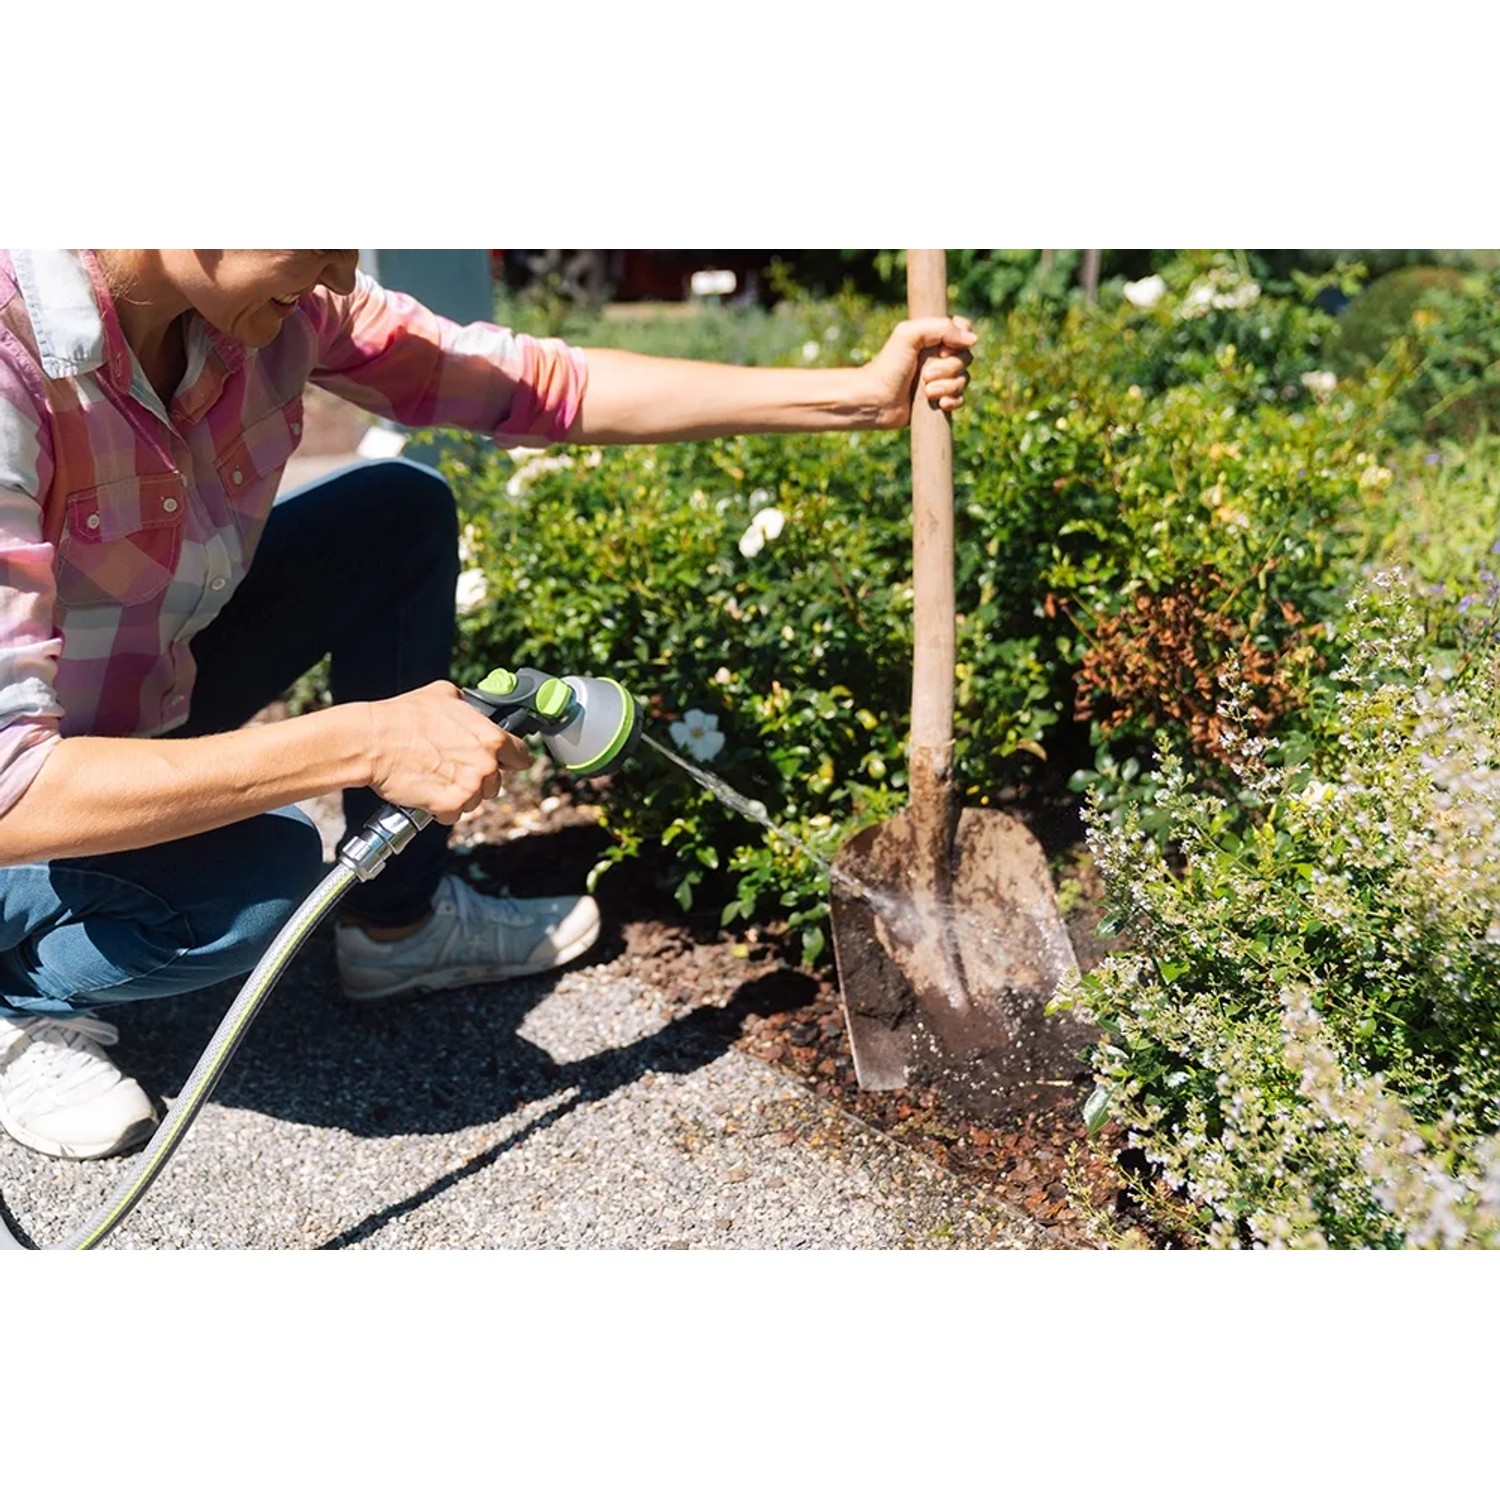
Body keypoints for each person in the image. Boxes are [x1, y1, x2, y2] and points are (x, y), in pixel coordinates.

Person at [0, 248, 976, 1161]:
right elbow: (12, 785)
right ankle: (18, 1001)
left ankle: (398, 928)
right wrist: (362, 740)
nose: (341, 271)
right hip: (31, 782)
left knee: (394, 517)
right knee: (251, 887)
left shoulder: (271, 308)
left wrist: (854, 396)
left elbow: (534, 383)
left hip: (135, 690)